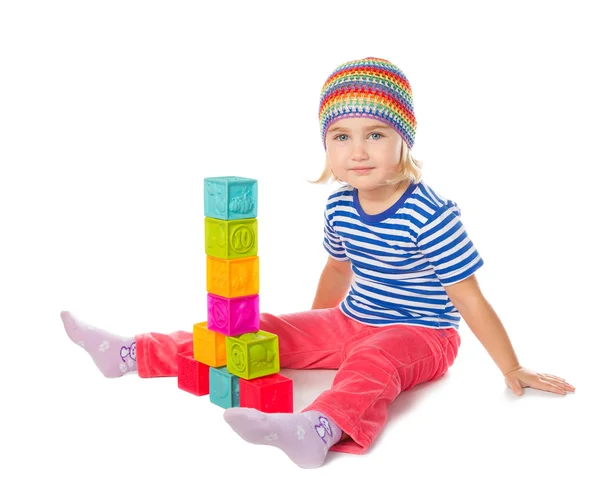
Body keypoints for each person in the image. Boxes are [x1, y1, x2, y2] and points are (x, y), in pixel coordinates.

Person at [60, 56, 575, 469]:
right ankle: (132, 353)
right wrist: (309, 332)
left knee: (373, 362)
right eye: (341, 136)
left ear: (403, 141)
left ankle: (320, 428)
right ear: (326, 144)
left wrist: (512, 366)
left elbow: (470, 298)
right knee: (257, 332)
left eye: (375, 134)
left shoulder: (430, 215)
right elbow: (336, 270)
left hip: (422, 334)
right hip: (354, 318)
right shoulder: (338, 205)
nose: (358, 151)